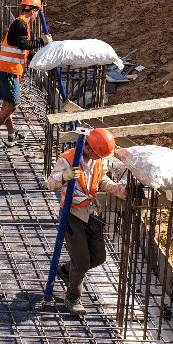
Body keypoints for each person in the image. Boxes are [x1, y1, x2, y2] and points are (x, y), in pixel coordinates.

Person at [43, 128, 125, 316]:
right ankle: (73, 297)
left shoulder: (98, 161)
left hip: (91, 212)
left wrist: (117, 189)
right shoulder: (68, 159)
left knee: (98, 257)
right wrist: (65, 177)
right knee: (81, 260)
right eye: (98, 154)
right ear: (88, 148)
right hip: (72, 215)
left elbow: (101, 179)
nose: (99, 158)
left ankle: (65, 271)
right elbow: (50, 183)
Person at [0, 0, 52, 147]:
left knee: (7, 104)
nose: (37, 16)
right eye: (37, 12)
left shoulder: (20, 24)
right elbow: (23, 45)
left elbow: (22, 50)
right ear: (34, 11)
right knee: (13, 104)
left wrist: (39, 58)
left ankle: (11, 134)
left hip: (7, 69)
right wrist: (42, 41)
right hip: (8, 70)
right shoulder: (20, 24)